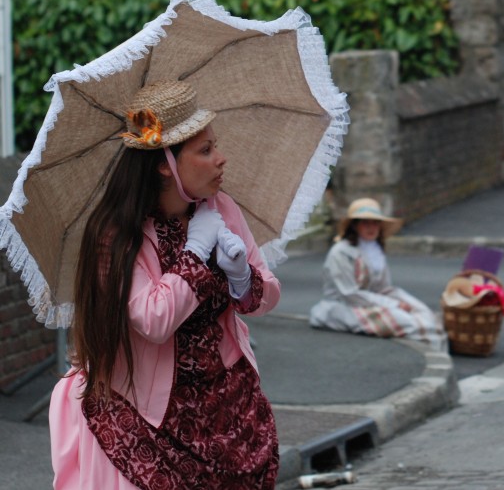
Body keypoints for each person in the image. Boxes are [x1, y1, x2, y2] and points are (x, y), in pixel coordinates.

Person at [49, 80, 281, 489]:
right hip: (148, 415)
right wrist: (194, 252)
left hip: (229, 405)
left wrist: (242, 276)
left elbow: (265, 296)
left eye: (216, 146)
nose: (221, 159)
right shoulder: (115, 235)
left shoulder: (220, 207)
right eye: (205, 150)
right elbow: (153, 320)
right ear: (165, 164)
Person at [309, 198, 447, 352]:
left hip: (371, 300)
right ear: (354, 226)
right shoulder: (341, 253)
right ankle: (435, 350)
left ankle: (441, 348)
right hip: (345, 306)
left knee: (424, 313)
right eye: (365, 223)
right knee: (407, 322)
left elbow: (383, 287)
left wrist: (403, 301)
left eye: (375, 223)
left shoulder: (375, 249)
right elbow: (350, 294)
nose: (371, 227)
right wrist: (394, 305)